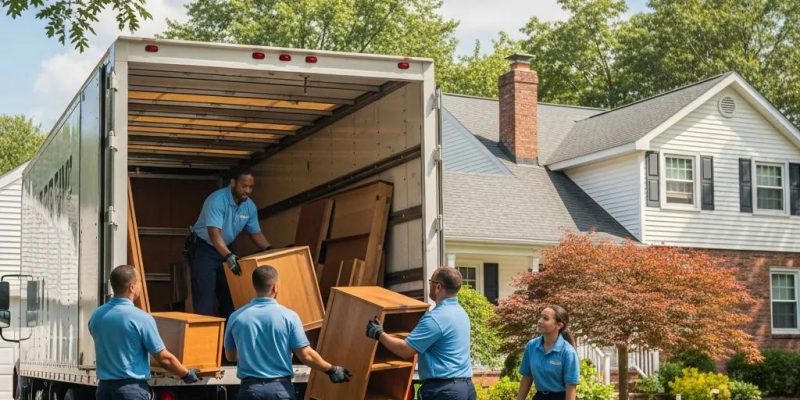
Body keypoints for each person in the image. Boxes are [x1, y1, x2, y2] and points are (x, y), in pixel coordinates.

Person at [224, 265, 352, 400]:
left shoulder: (236, 317)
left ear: (255, 286)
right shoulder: (289, 316)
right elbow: (306, 355)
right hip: (280, 390)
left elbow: (231, 356)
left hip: (249, 391)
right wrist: (331, 369)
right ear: (275, 287)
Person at [89, 265, 199, 400]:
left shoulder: (96, 316)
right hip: (131, 391)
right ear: (132, 287)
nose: (141, 285)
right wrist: (186, 374)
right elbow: (164, 359)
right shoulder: (142, 319)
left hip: (104, 390)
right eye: (139, 281)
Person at [365, 267, 475, 400]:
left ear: (438, 286)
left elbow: (405, 350)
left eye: (430, 282)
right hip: (466, 388)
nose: (429, 285)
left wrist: (379, 333)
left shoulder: (436, 318)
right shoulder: (461, 313)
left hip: (445, 392)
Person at [186, 168, 272, 318]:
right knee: (205, 299)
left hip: (226, 249)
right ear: (233, 183)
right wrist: (229, 256)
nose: (247, 190)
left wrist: (270, 249)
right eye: (244, 186)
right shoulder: (217, 200)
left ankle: (228, 339)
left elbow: (255, 233)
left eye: (251, 187)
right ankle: (206, 339)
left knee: (230, 297)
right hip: (204, 249)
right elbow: (214, 235)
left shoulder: (249, 206)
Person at [516, 305, 580, 400]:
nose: (540, 321)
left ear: (559, 325)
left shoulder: (568, 352)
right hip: (540, 397)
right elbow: (527, 377)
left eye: (545, 318)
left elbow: (571, 387)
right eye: (540, 317)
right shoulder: (531, 346)